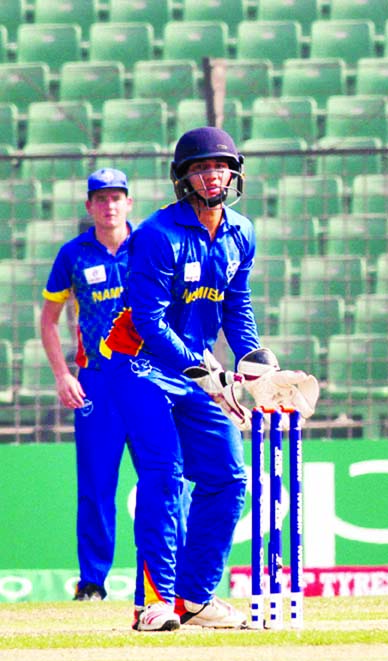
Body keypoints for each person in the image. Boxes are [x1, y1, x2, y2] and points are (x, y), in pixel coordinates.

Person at [100, 127, 319, 631]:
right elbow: (150, 321)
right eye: (201, 168)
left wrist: (256, 361)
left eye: (219, 166)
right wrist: (206, 371)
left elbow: (235, 306)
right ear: (184, 178)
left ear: (234, 172)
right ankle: (152, 603)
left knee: (227, 478)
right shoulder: (157, 235)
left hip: (194, 368)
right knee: (164, 475)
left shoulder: (242, 231)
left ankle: (194, 599)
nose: (212, 175)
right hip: (136, 365)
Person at [40, 169, 135, 601]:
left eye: (117, 197)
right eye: (101, 198)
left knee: (167, 479)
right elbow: (48, 320)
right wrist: (63, 373)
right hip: (96, 380)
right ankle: (93, 582)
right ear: (89, 206)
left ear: (129, 203)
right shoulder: (73, 254)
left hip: (150, 379)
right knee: (96, 486)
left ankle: (169, 577)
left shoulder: (149, 246)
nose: (109, 206)